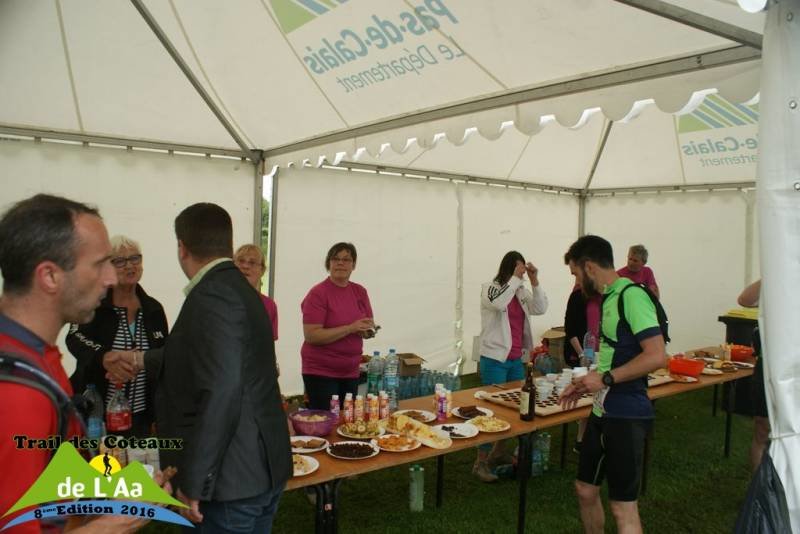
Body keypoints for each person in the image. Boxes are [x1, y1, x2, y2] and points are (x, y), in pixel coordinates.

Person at [119, 203, 290, 533]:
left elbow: (222, 390)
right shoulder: (243, 291)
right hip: (259, 468)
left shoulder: (213, 295)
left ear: (182, 247)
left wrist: (195, 480)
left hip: (231, 481)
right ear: (227, 244)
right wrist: (140, 359)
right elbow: (202, 358)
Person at [0, 194, 165, 533]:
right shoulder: (18, 394)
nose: (111, 278)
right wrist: (111, 525)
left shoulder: (37, 360)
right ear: (49, 276)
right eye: (100, 264)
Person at [560, 235, 667, 534]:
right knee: (585, 489)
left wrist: (606, 378)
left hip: (627, 414)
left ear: (590, 267)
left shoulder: (631, 295)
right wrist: (587, 382)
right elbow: (615, 355)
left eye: (576, 275)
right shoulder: (609, 297)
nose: (578, 284)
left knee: (623, 507)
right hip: (602, 410)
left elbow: (657, 355)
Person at [66, 235, 168, 437]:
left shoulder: (153, 308)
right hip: (97, 416)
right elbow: (74, 337)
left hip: (141, 419)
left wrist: (158, 416)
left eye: (135, 259)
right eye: (119, 261)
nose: (129, 266)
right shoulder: (96, 302)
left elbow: (164, 356)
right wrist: (103, 357)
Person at [475, 251, 548, 482]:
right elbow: (498, 303)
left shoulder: (520, 292)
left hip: (516, 358)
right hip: (494, 358)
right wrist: (515, 279)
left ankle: (498, 452)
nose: (522, 274)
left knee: (515, 408)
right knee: (492, 411)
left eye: (523, 270)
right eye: (518, 269)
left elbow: (540, 307)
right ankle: (480, 462)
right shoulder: (491, 288)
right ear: (508, 268)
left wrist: (535, 281)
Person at [300, 242, 375, 410]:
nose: (340, 263)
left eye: (346, 259)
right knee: (326, 423)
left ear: (353, 265)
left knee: (347, 421)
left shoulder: (360, 291)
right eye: (335, 259)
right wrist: (350, 328)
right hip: (320, 372)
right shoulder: (318, 294)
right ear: (329, 264)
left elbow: (367, 323)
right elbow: (312, 335)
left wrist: (368, 331)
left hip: (351, 371)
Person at [563, 255, 602, 453]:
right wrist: (581, 355)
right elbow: (570, 329)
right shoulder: (577, 296)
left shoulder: (601, 296)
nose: (575, 278)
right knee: (583, 395)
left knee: (597, 397)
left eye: (575, 273)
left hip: (598, 353)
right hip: (580, 354)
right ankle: (580, 440)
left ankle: (591, 437)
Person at [738, 279, 768, 472]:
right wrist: (770, 273)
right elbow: (744, 299)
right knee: (762, 427)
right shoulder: (777, 280)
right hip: (767, 365)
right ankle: (760, 490)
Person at [234, 244, 278, 340]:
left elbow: (268, 345)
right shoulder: (221, 298)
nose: (245, 266)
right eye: (241, 261)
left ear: (262, 270)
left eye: (252, 262)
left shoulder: (269, 305)